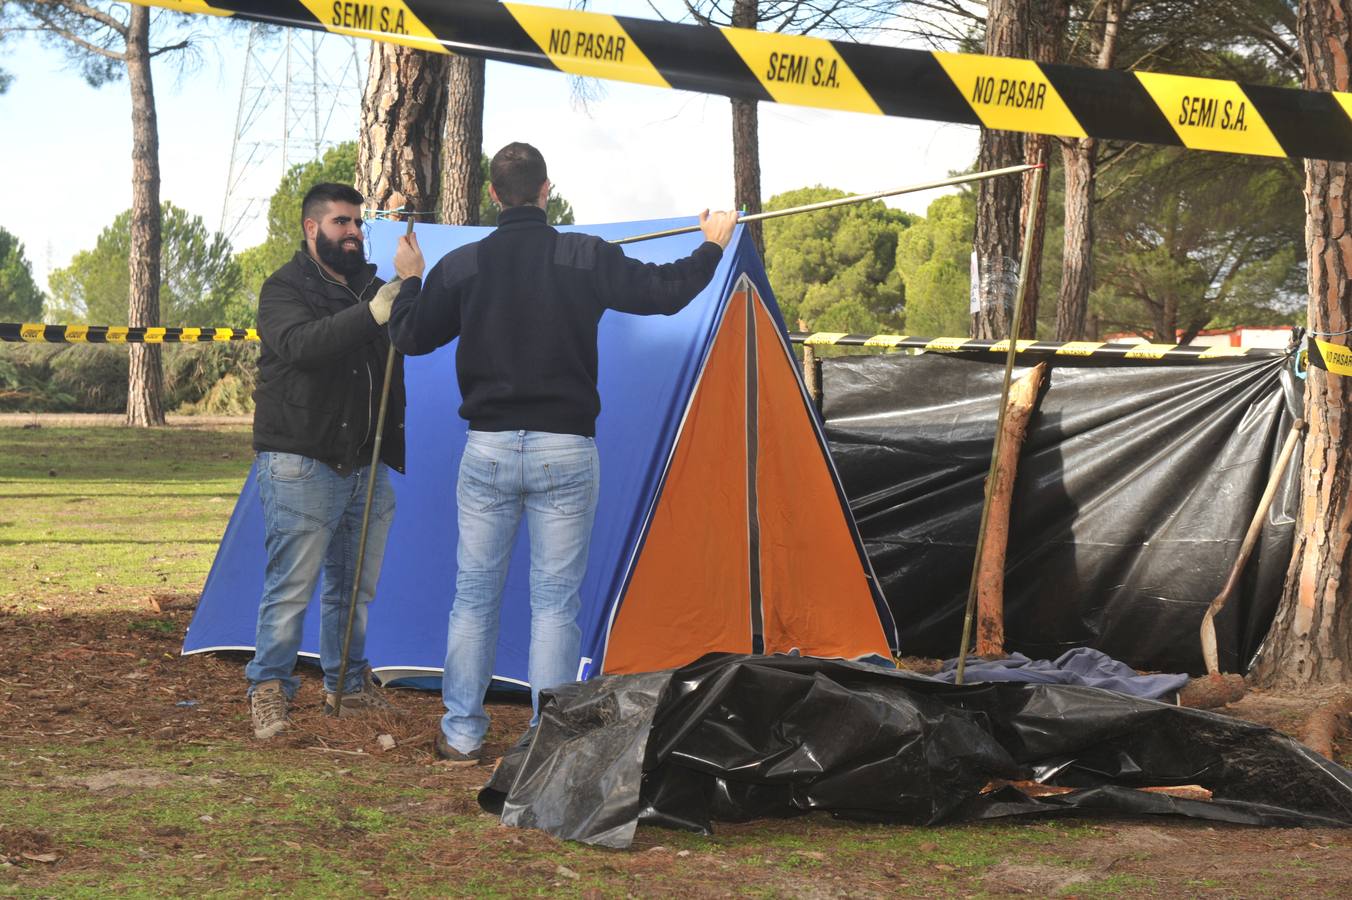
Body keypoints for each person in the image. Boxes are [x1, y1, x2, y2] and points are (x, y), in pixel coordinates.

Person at [388, 142, 737, 765]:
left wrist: (411, 279)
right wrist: (713, 242)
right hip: (565, 452)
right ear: (547, 190)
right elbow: (666, 292)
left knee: (473, 596)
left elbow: (410, 335)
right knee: (554, 604)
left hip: (489, 451)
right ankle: (548, 744)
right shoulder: (584, 256)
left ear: (494, 195)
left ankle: (462, 733)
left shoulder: (462, 265)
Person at [246, 182, 424, 739]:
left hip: (367, 465)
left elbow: (412, 340)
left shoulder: (373, 283)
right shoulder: (283, 289)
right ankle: (269, 689)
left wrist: (412, 285)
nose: (352, 232)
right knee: (290, 588)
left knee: (354, 588)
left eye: (356, 224)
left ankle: (345, 686)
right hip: (303, 463)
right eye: (340, 223)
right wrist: (374, 311)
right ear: (311, 228)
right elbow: (303, 345)